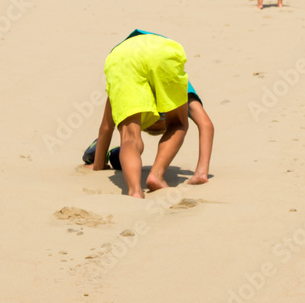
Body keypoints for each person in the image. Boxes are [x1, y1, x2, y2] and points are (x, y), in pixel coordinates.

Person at [89, 31, 190, 198]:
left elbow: (106, 128)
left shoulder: (124, 93)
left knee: (130, 137)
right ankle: (156, 175)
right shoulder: (169, 92)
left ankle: (135, 191)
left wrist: (98, 165)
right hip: (162, 52)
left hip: (122, 57)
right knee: (179, 123)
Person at [84, 81, 214, 185]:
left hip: (139, 118)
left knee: (129, 143)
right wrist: (201, 171)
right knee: (130, 148)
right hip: (166, 121)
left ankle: (108, 154)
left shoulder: (129, 80)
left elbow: (107, 128)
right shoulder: (176, 80)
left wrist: (98, 165)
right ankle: (114, 155)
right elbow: (206, 124)